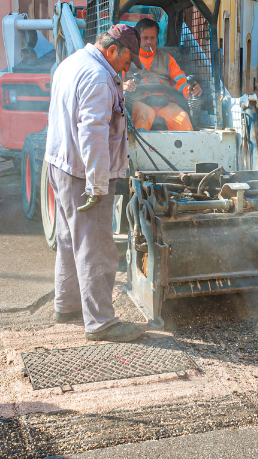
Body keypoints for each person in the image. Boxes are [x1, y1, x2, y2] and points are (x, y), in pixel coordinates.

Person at [43, 24, 144, 342]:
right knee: (97, 247)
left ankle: (67, 305)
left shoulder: (71, 63)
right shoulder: (99, 78)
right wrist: (98, 186)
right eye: (126, 61)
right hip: (84, 174)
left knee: (69, 239)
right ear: (112, 50)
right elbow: (93, 135)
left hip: (60, 164)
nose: (126, 69)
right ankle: (101, 322)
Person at [123, 18, 203, 131]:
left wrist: (190, 90)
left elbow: (180, 80)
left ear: (157, 38)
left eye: (152, 38)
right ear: (137, 37)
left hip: (165, 103)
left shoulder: (167, 59)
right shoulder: (127, 58)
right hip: (139, 103)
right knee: (143, 115)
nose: (149, 42)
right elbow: (117, 82)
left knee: (183, 118)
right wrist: (125, 85)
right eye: (145, 38)